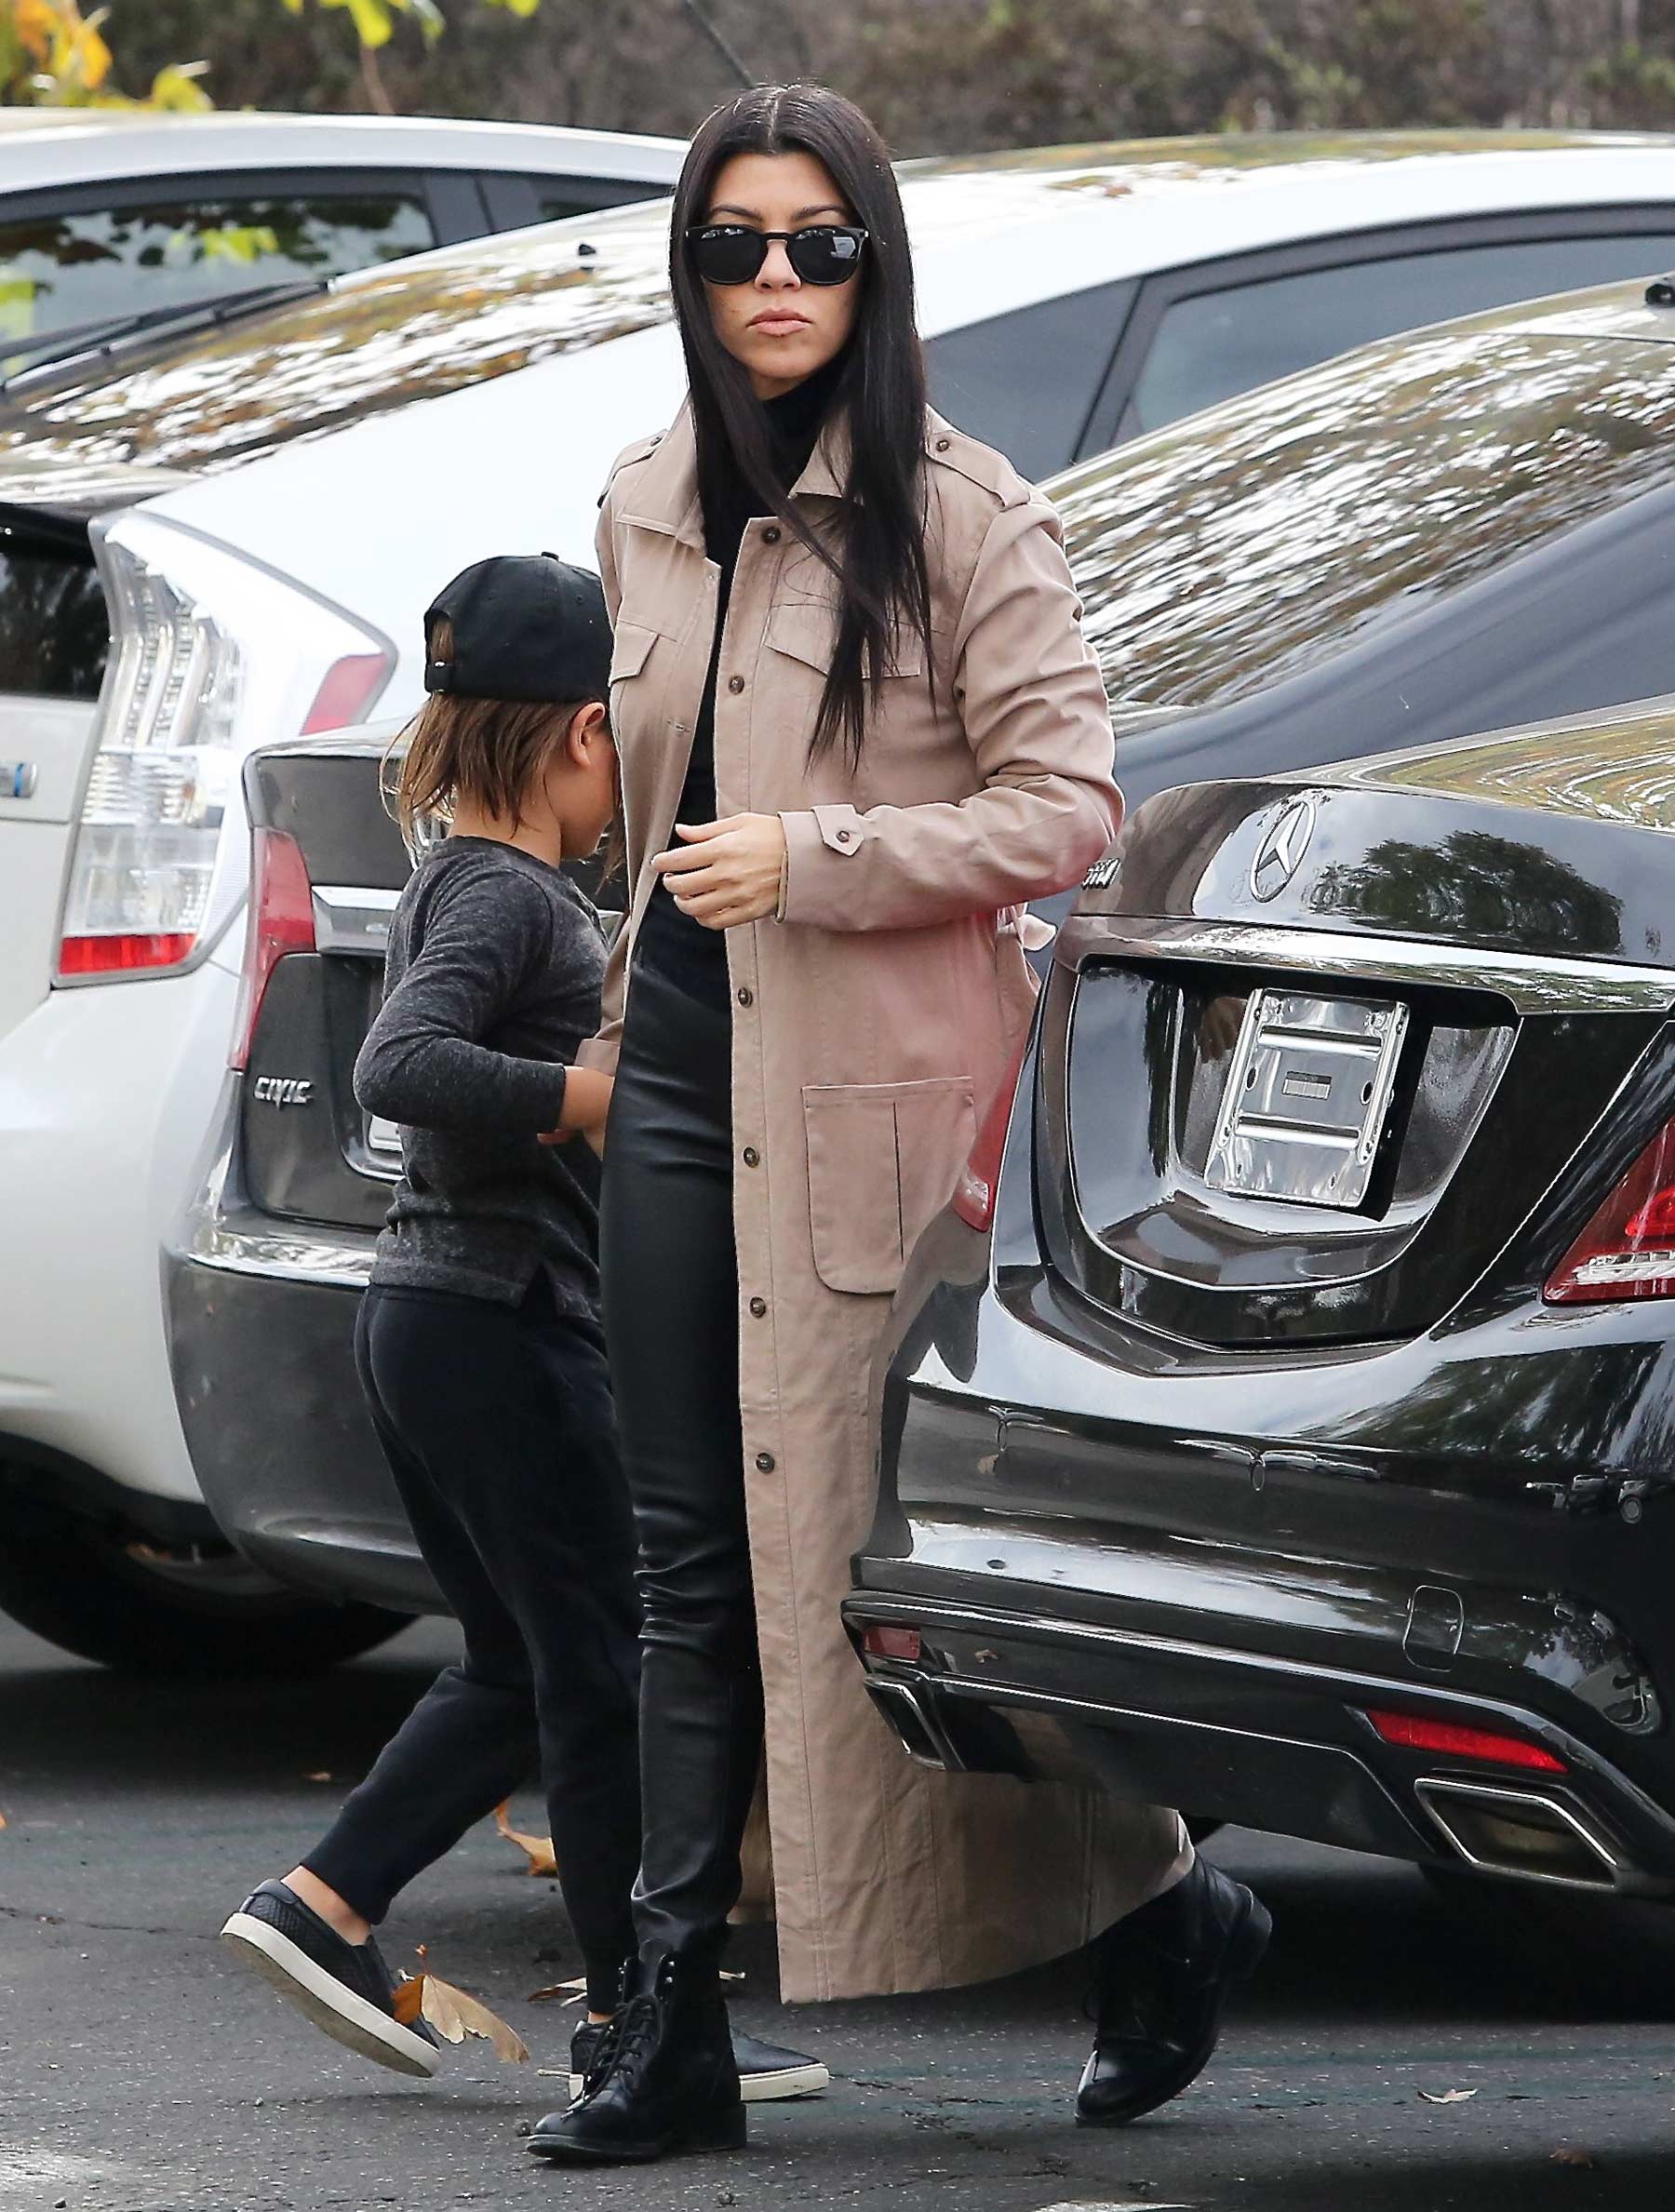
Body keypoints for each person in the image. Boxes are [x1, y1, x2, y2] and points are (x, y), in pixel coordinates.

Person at [529, 86, 1270, 2169]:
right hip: (681, 1073)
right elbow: (655, 811)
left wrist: (823, 847)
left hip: (872, 1113)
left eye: (817, 243)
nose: (776, 282)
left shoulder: (962, 512)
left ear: (878, 264)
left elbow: (1071, 809)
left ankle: (1168, 1904)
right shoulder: (642, 500)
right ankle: (667, 2019)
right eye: (736, 245)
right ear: (691, 274)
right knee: (685, 1563)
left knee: (889, 1573)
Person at [219, 554, 824, 2107]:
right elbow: (402, 1065)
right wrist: (597, 1097)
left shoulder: (450, 875)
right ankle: (640, 2014)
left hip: (426, 1319)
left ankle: (324, 1904)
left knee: (518, 1656)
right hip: (499, 1324)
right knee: (613, 1664)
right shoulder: (506, 894)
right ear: (576, 738)